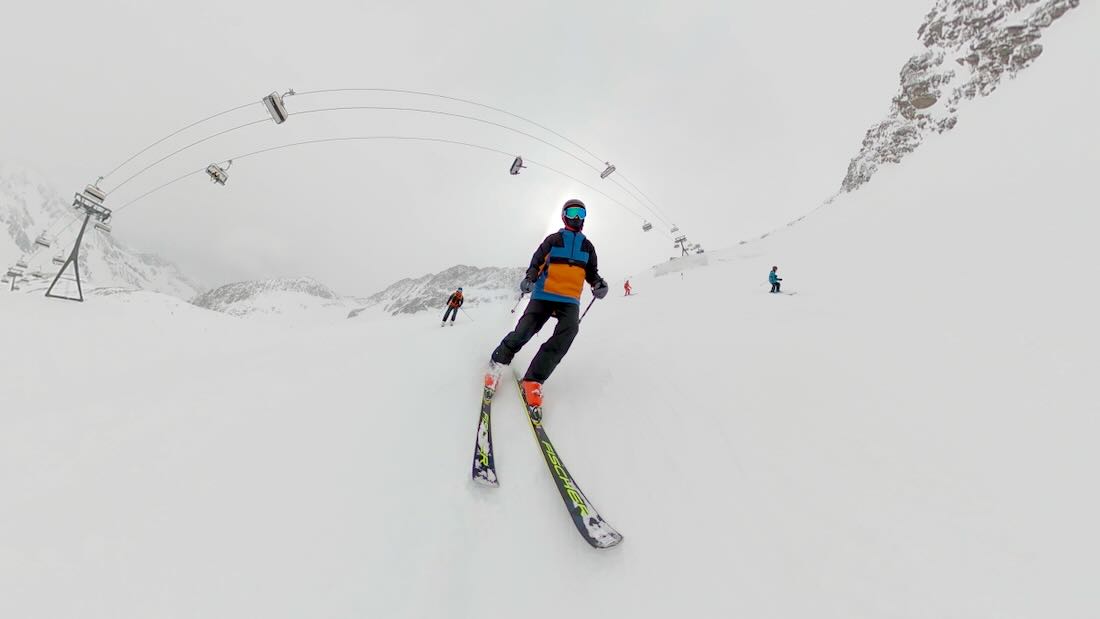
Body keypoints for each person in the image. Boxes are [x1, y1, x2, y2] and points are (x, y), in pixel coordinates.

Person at [484, 199, 608, 414]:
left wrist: (598, 283)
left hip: (569, 300)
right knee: (524, 331)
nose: (577, 217)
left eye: (581, 213)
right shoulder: (553, 240)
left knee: (567, 334)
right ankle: (497, 362)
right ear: (564, 215)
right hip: (544, 294)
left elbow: (591, 272)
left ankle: (533, 380)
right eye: (573, 212)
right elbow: (537, 263)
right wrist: (530, 278)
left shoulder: (588, 247)